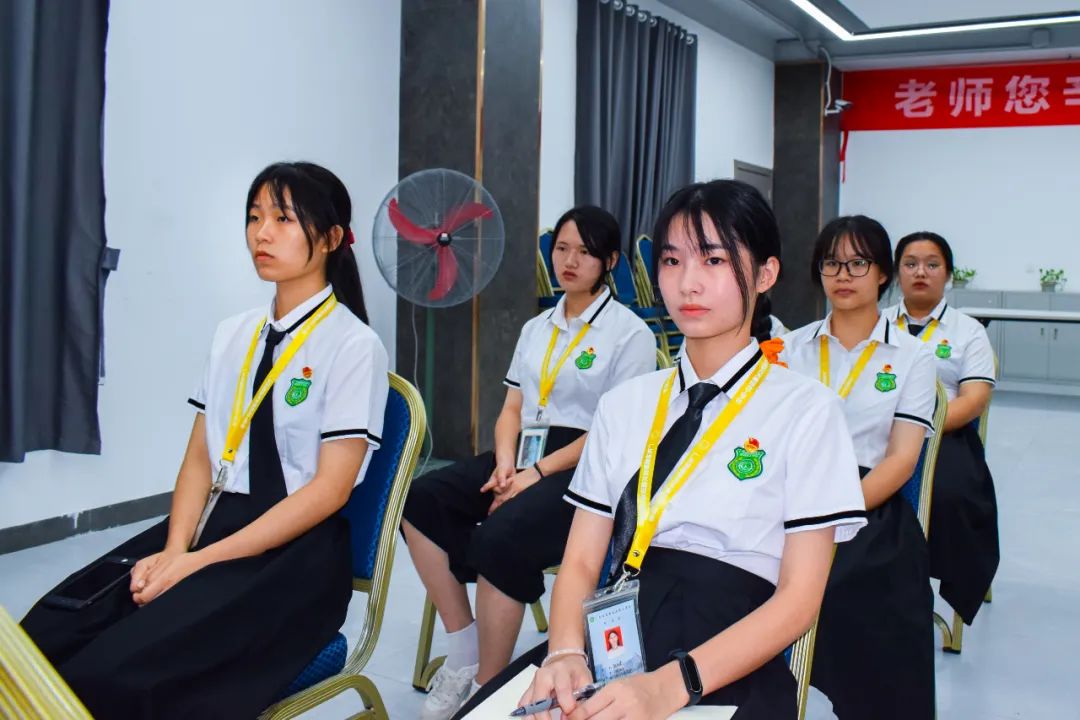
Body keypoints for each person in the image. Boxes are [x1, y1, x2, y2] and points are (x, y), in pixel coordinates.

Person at [457, 180, 867, 720]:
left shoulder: (807, 411)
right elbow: (581, 560)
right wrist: (564, 652)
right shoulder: (625, 405)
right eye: (672, 261)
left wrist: (670, 687)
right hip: (616, 626)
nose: (687, 282)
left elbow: (798, 600)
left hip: (729, 646)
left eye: (714, 260)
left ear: (765, 274)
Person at [20, 162, 389, 719]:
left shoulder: (354, 346)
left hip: (296, 554)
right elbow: (199, 458)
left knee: (114, 673)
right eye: (254, 217)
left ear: (333, 237)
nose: (262, 234)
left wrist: (195, 564)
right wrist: (175, 549)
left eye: (283, 219)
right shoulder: (233, 334)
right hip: (212, 523)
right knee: (49, 632)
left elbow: (329, 491)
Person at [401, 206, 657, 720]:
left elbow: (612, 431)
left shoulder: (630, 335)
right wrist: (505, 465)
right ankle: (464, 648)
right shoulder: (537, 326)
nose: (569, 261)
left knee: (503, 536)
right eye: (561, 248)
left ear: (609, 261)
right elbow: (512, 408)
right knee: (420, 499)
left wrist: (534, 475)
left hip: (584, 465)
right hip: (523, 452)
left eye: (584, 252)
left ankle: (487, 690)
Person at [781, 215, 937, 719]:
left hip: (868, 500)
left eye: (857, 263)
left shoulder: (912, 357)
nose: (843, 275)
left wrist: (834, 512)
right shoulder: (789, 349)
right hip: (789, 494)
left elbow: (902, 459)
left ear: (883, 273)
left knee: (875, 595)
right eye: (831, 263)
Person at [887, 230, 998, 625]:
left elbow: (973, 398)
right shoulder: (877, 324)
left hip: (943, 434)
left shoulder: (969, 331)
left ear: (948, 274)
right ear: (896, 273)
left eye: (932, 265)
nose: (921, 272)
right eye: (910, 264)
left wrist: (918, 429)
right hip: (878, 433)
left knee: (952, 497)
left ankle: (938, 581)